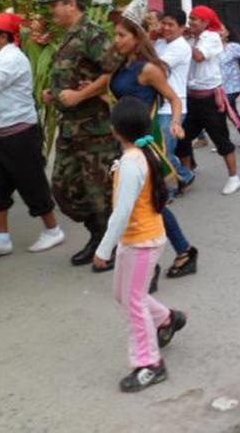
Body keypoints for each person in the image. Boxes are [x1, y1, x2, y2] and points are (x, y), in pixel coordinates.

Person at [93, 97, 188, 392]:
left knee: (133, 301)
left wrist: (102, 250)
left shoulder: (132, 163)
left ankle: (150, 364)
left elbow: (121, 214)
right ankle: (167, 318)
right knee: (124, 294)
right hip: (136, 239)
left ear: (116, 130)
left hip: (141, 242)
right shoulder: (136, 156)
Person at [109, 0, 197, 283]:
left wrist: (174, 122)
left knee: (151, 203)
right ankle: (176, 252)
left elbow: (172, 98)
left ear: (137, 38)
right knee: (143, 203)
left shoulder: (149, 69)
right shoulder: (122, 65)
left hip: (147, 142)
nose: (116, 40)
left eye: (122, 35)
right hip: (125, 140)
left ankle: (169, 256)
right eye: (116, 34)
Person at [0, 13, 65, 259]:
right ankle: (1, 239)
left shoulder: (11, 58)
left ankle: (53, 230)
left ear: (3, 37)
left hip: (19, 134)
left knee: (32, 184)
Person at [38, 0, 119, 268]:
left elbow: (114, 72)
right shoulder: (67, 37)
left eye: (55, 5)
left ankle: (108, 245)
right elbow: (74, 74)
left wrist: (81, 95)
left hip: (95, 131)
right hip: (70, 129)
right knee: (63, 189)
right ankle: (99, 234)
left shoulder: (92, 34)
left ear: (71, 3)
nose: (52, 11)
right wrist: (55, 94)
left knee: (100, 193)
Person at [175, 5, 240, 196]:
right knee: (183, 137)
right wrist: (186, 36)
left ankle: (234, 177)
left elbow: (198, 57)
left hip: (210, 98)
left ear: (205, 22)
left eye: (195, 19)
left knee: (220, 138)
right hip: (191, 96)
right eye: (190, 19)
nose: (191, 22)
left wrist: (181, 39)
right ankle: (187, 176)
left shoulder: (212, 37)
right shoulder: (191, 37)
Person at [153, 9, 195, 187]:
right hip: (158, 106)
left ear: (181, 28)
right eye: (164, 23)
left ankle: (171, 189)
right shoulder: (160, 43)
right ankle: (184, 175)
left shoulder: (180, 47)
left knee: (163, 153)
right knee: (160, 152)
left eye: (171, 25)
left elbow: (156, 69)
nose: (166, 28)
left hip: (172, 108)